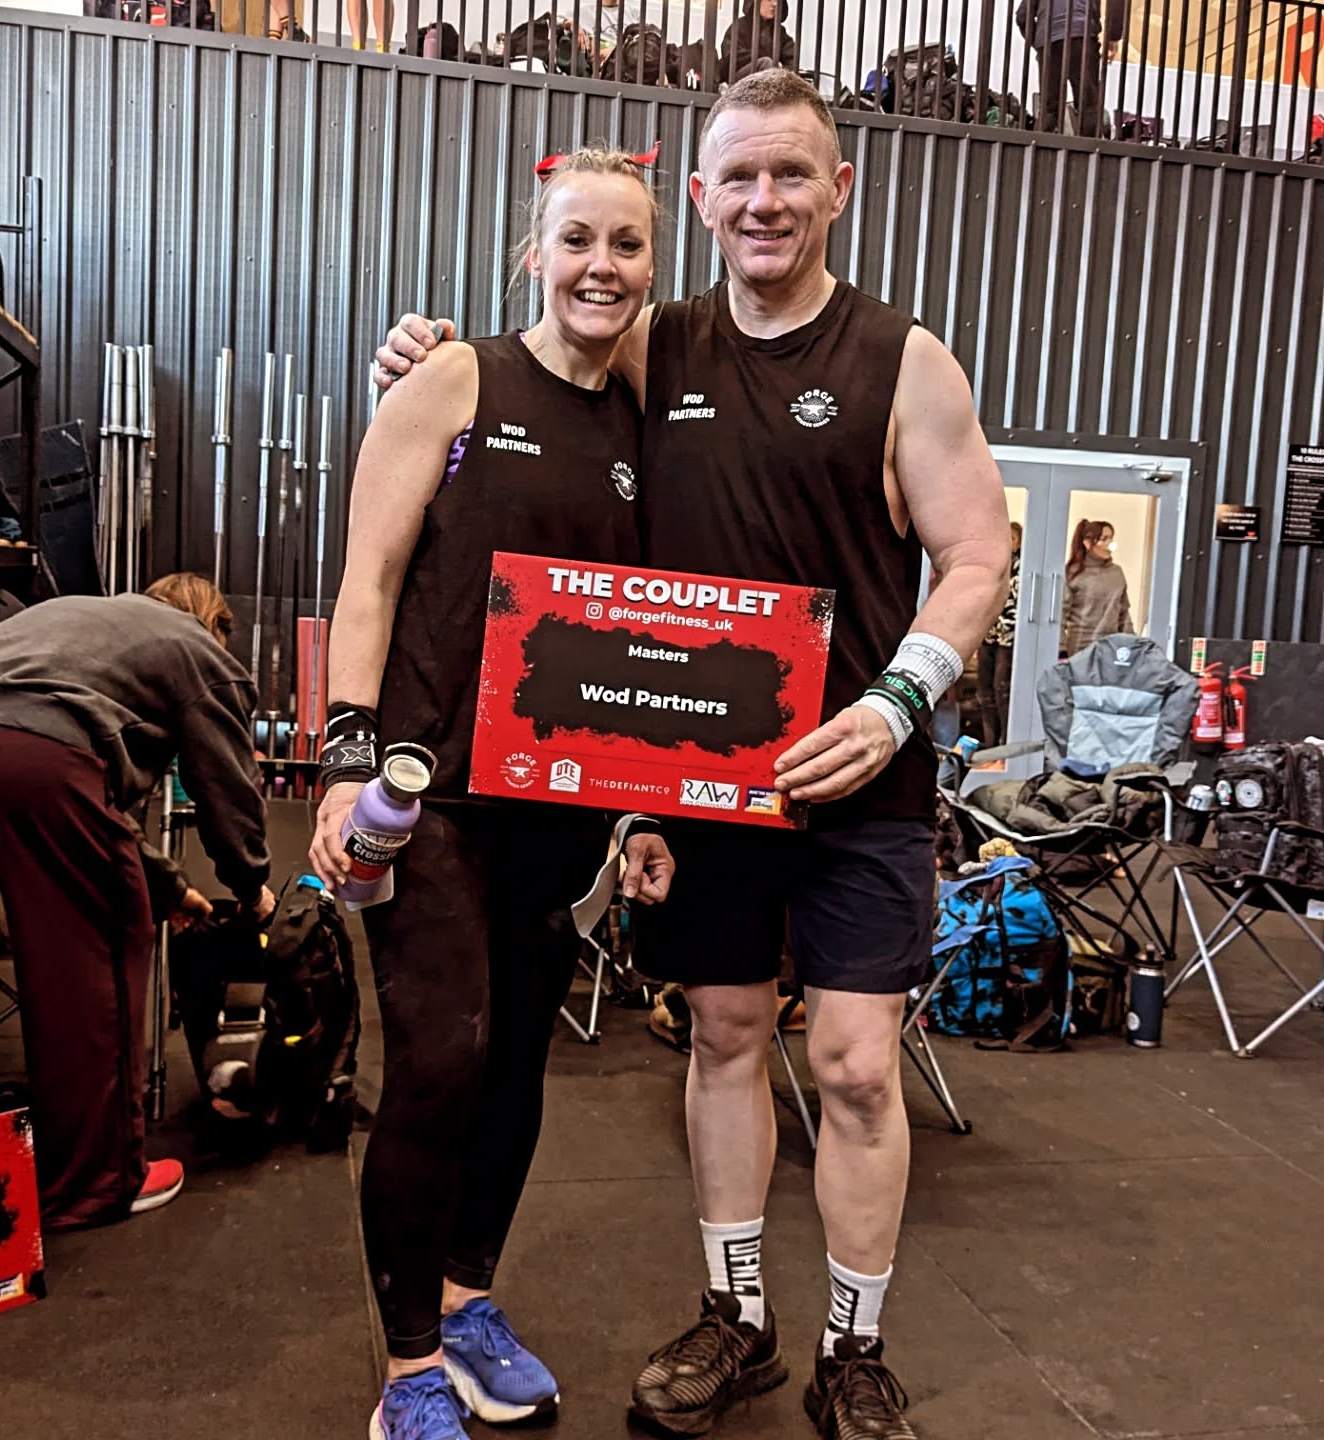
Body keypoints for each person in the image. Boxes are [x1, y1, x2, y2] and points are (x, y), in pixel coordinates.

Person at [376, 69, 1011, 1440]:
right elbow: (538, 363)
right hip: (707, 786)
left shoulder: (906, 360)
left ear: (839, 187)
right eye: (738, 179)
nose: (765, 201)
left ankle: (856, 1345)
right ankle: (740, 1325)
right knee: (723, 1037)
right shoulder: (662, 344)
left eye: (792, 174)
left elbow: (977, 551)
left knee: (851, 1064)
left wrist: (902, 699)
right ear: (703, 201)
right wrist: (429, 358)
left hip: (863, 780)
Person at [306, 145, 676, 1440]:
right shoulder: (456, 377)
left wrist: (644, 809)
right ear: (535, 252)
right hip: (433, 796)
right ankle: (409, 1370)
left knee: (517, 1064)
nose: (601, 267)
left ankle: (467, 1302)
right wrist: (344, 766)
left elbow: (651, 642)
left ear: (650, 264)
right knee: (441, 1064)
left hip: (559, 805)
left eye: (626, 246)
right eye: (577, 241)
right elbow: (367, 579)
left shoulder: (643, 415)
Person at [0, 574, 275, 1232]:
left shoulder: (65, 619)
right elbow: (227, 791)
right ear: (212, 623)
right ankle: (96, 1180)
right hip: (26, 749)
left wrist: (172, 888)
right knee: (100, 939)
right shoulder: (200, 650)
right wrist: (250, 885)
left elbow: (94, 808)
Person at [1015, 0, 1127, 137]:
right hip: (1081, 34)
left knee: (1049, 109)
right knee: (1088, 106)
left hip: (1048, 37)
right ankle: (1088, 153)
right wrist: (1113, 36)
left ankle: (1042, 151)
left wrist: (1040, 42)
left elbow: (1022, 15)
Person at [976, 520, 1022, 747]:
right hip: (986, 633)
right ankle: (989, 743)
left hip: (1009, 637)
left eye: (1012, 538)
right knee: (984, 692)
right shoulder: (989, 565)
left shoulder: (1023, 567)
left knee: (1001, 689)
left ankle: (1005, 744)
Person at [1062, 516, 1133, 656]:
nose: (1110, 544)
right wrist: (1061, 651)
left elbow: (1124, 614)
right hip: (1079, 650)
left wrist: (1132, 645)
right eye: (1104, 538)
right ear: (1087, 543)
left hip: (1110, 649)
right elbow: (1060, 615)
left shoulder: (1117, 573)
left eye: (1111, 538)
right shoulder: (1073, 573)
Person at [719, 0, 796, 83]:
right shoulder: (740, 26)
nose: (775, 4)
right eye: (769, 0)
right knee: (766, 63)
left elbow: (792, 59)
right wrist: (763, 59)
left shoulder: (780, 32)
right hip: (738, 80)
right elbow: (730, 55)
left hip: (768, 79)